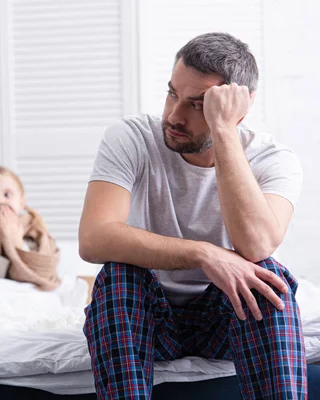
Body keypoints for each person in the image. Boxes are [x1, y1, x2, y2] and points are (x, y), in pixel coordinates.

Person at [79, 33, 306, 399]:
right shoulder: (131, 138)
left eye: (197, 105)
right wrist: (204, 252)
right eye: (172, 94)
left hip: (227, 318)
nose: (173, 115)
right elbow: (94, 239)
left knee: (268, 277)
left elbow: (256, 244)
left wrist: (224, 131)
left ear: (238, 109)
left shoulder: (274, 159)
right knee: (119, 275)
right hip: (145, 316)